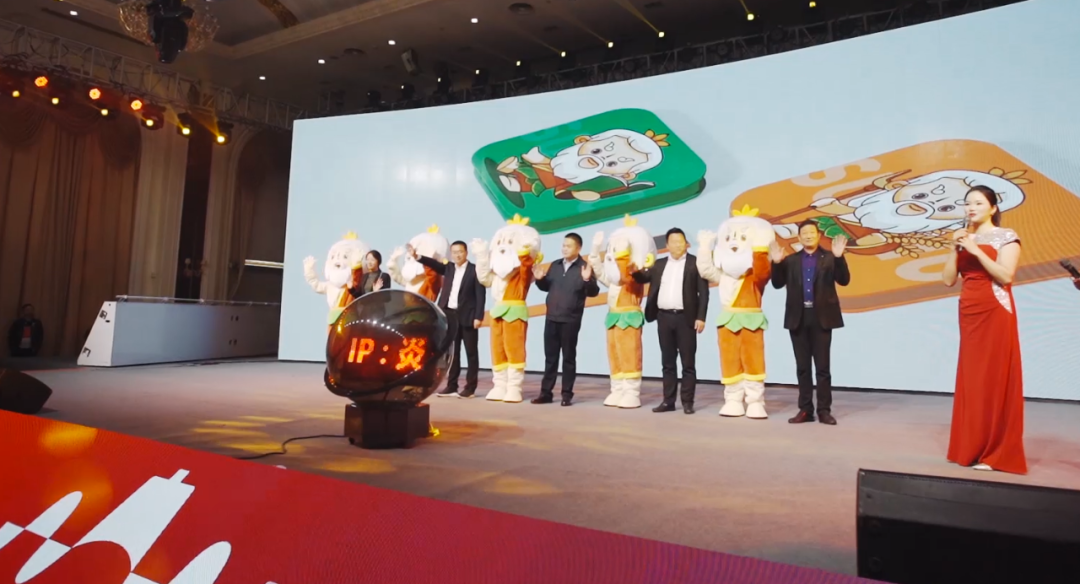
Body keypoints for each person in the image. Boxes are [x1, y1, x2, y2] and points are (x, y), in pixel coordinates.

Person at [941, 185, 1026, 474]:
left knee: (993, 376)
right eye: (967, 203)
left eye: (978, 203)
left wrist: (976, 249)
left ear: (993, 208)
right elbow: (948, 280)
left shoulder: (1007, 236)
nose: (971, 208)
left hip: (995, 309)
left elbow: (1005, 275)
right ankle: (970, 447)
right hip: (969, 309)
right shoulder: (963, 238)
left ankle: (996, 452)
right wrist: (954, 249)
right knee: (972, 378)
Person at [770, 220, 849, 425]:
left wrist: (839, 258)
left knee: (822, 368)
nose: (808, 236)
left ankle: (824, 410)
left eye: (811, 232)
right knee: (802, 368)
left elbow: (844, 280)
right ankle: (805, 410)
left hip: (822, 317)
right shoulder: (791, 260)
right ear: (799, 237)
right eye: (804, 233)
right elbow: (777, 284)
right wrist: (776, 263)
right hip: (798, 317)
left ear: (818, 235)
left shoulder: (829, 257)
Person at [633, 228, 708, 414]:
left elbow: (704, 293)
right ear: (667, 245)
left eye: (681, 241)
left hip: (686, 318)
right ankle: (668, 401)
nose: (678, 245)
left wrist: (701, 317)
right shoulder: (659, 264)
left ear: (686, 243)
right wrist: (633, 270)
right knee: (667, 362)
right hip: (664, 318)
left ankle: (688, 402)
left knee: (688, 363)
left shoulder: (695, 263)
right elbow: (643, 277)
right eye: (674, 241)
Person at [531, 233, 599, 406]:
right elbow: (547, 286)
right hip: (551, 317)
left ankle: (566, 394)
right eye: (563, 245)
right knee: (550, 358)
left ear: (578, 248)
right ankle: (546, 393)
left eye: (568, 246)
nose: (564, 249)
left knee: (568, 358)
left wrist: (586, 279)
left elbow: (593, 292)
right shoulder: (555, 265)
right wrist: (540, 280)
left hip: (570, 319)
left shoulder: (584, 267)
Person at [418, 241, 486, 398]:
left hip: (468, 316)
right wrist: (418, 257)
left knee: (471, 353)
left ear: (466, 252)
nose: (457, 255)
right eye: (454, 252)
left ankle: (470, 388)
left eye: (460, 251)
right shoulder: (448, 268)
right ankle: (452, 385)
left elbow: (480, 295)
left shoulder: (475, 270)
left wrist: (478, 316)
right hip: (450, 315)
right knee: (453, 353)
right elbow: (433, 264)